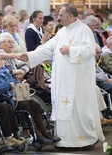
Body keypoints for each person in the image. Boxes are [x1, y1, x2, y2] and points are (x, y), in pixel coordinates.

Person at [20, 3, 105, 149]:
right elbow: (46, 50)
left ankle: (84, 139)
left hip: (78, 80)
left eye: (61, 16)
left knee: (78, 108)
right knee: (64, 107)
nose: (59, 19)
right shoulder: (62, 32)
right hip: (63, 79)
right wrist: (28, 56)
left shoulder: (84, 30)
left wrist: (70, 49)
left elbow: (89, 50)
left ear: (71, 16)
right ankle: (64, 140)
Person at [0, 49, 61, 146]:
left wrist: (14, 85)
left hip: (14, 96)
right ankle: (37, 136)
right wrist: (8, 85)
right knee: (26, 106)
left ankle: (45, 134)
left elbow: (14, 82)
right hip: (5, 99)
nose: (2, 61)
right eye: (0, 59)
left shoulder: (3, 71)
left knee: (34, 104)